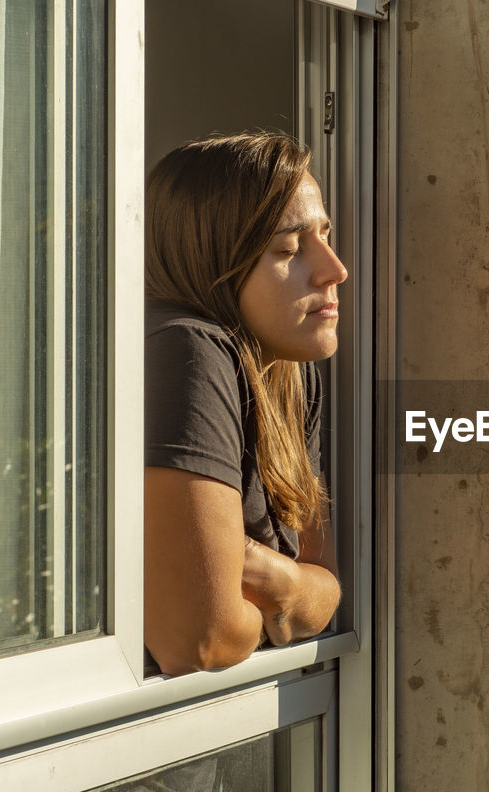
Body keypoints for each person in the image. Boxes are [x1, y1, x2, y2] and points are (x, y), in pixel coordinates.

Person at [142, 131, 345, 676]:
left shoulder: (290, 377)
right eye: (288, 248)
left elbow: (326, 588)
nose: (334, 269)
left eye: (325, 235)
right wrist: (284, 605)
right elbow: (199, 638)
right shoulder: (187, 350)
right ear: (212, 261)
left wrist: (262, 575)